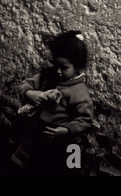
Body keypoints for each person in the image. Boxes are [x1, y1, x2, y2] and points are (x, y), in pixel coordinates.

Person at [11, 30, 93, 175]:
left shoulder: (79, 92)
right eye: (56, 65)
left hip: (55, 139)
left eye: (64, 68)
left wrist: (67, 130)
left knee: (49, 167)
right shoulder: (46, 76)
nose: (58, 71)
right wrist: (31, 93)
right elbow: (24, 85)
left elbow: (85, 118)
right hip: (34, 132)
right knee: (28, 163)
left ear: (78, 66)